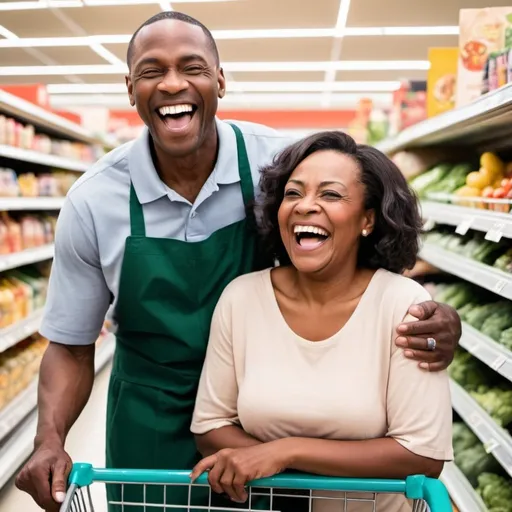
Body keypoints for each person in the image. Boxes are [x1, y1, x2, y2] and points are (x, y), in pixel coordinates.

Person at [15, 10, 460, 512]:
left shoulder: (281, 168)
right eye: (151, 71)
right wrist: (48, 438)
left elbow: (354, 249)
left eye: (193, 67)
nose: (173, 83)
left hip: (267, 415)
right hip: (149, 415)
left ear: (220, 80)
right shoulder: (94, 201)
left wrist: (430, 317)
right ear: (130, 87)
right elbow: (72, 345)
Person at [189, 131, 454, 512]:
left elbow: (422, 455)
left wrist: (284, 453)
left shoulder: (403, 305)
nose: (305, 206)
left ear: (367, 219)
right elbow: (210, 428)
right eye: (293, 193)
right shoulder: (242, 298)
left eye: (330, 195)